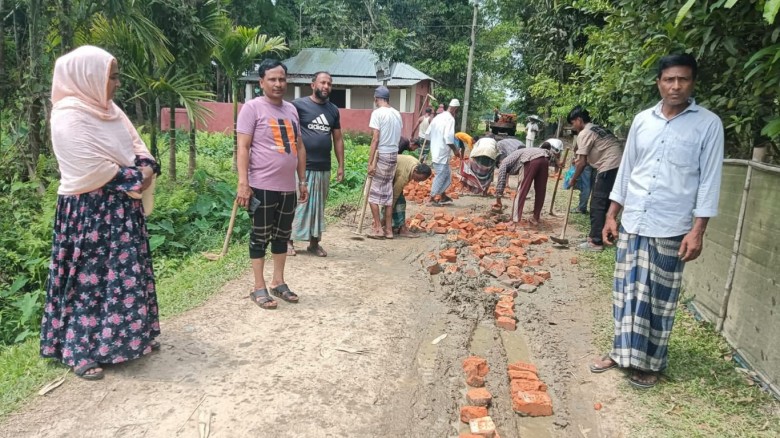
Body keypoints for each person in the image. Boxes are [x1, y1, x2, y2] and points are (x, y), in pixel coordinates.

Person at [590, 53, 723, 389]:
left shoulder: (707, 124)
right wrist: (611, 214)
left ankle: (651, 363)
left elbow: (709, 180)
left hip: (672, 224)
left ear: (692, 83)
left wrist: (698, 230)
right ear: (659, 82)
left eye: (682, 79)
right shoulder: (642, 121)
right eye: (669, 79)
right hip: (634, 220)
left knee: (658, 299)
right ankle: (621, 353)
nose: (675, 86)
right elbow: (628, 169)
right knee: (626, 292)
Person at [40, 46, 160, 380]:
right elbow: (91, 168)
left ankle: (129, 339)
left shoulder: (110, 110)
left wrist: (147, 165)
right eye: (112, 77)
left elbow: (138, 148)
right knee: (87, 279)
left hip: (121, 211)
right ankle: (81, 351)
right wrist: (141, 174)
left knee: (124, 275)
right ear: (88, 77)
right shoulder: (68, 116)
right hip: (87, 214)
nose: (118, 84)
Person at [236, 59, 309, 310]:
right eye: (273, 79)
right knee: (259, 238)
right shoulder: (252, 108)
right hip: (261, 186)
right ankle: (258, 287)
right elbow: (243, 147)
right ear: (261, 82)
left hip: (287, 187)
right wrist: (243, 183)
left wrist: (302, 180)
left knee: (282, 236)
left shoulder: (291, 110)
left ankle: (278, 282)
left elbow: (299, 146)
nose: (278, 84)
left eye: (282, 79)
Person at [288, 71, 344, 257]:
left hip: (323, 166)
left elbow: (337, 139)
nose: (326, 86)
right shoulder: (298, 106)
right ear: (313, 85)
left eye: (329, 83)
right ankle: (288, 241)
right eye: (322, 82)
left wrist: (341, 165)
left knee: (318, 207)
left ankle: (314, 243)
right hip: (301, 166)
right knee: (296, 204)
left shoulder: (333, 110)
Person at [567, 106, 623, 252]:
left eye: (573, 123)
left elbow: (582, 162)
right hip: (619, 166)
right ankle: (599, 236)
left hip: (609, 166)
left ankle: (596, 243)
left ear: (579, 120)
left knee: (597, 203)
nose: (573, 126)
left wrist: (574, 178)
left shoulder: (585, 132)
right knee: (606, 203)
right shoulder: (597, 128)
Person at [493, 140, 561, 225]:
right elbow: (547, 151)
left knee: (522, 190)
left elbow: (501, 181)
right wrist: (557, 162)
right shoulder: (528, 151)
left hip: (530, 161)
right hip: (544, 160)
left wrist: (498, 198)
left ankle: (515, 219)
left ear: (499, 162)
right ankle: (535, 218)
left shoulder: (504, 163)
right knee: (541, 190)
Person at [367, 86, 403, 239]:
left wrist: (370, 163)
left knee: (372, 194)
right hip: (394, 155)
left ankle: (377, 229)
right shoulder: (397, 114)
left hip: (381, 154)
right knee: (387, 193)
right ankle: (388, 230)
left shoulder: (377, 113)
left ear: (377, 98)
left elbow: (375, 139)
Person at [427, 99, 462, 206]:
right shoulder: (450, 119)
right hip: (441, 152)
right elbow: (448, 138)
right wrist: (455, 150)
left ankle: (442, 196)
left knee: (446, 174)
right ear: (455, 109)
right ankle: (432, 198)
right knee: (441, 175)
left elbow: (428, 133)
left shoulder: (438, 117)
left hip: (436, 150)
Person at [391, 156, 432, 237]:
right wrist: (390, 207)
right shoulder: (404, 175)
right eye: (418, 178)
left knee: (397, 201)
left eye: (421, 180)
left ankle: (393, 225)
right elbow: (395, 194)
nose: (418, 181)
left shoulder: (417, 166)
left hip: (394, 171)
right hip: (385, 173)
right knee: (398, 202)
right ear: (415, 171)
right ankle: (397, 228)